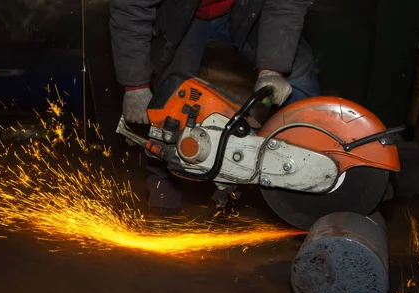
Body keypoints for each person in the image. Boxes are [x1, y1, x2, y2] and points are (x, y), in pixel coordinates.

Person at [110, 0, 320, 216]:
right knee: (170, 93)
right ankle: (163, 193)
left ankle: (306, 173)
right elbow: (130, 9)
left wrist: (273, 70)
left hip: (244, 8)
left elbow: (284, 5)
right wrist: (135, 85)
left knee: (297, 70)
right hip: (182, 13)